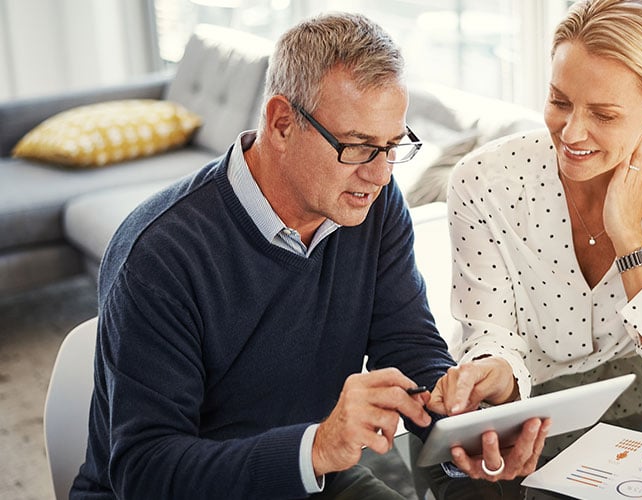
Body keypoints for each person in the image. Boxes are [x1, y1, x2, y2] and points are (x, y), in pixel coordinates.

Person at [70, 13, 548, 500]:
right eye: (358, 146)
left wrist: (465, 425)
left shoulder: (372, 205)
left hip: (311, 478)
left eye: (391, 146)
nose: (381, 175)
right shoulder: (159, 254)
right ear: (281, 123)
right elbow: (144, 471)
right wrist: (316, 448)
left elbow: (408, 346)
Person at [422, 0, 642, 496]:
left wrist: (629, 239)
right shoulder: (484, 180)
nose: (571, 133)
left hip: (625, 418)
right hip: (504, 420)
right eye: (559, 101)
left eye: (604, 114)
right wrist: (492, 373)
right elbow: (490, 333)